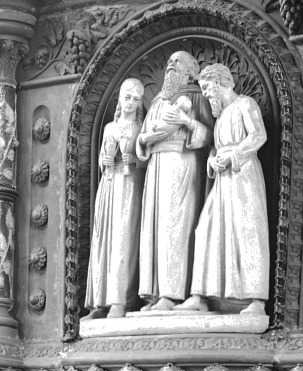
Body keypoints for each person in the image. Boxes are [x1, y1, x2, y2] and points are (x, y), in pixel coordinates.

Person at [183, 63, 270, 314]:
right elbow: (216, 148)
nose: (206, 94)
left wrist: (234, 155)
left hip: (243, 175)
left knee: (247, 231)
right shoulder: (220, 116)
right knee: (206, 229)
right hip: (223, 179)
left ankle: (256, 299)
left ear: (221, 83)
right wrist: (212, 160)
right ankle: (201, 295)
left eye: (207, 88)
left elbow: (258, 135)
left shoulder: (245, 104)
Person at [136, 49, 208, 310]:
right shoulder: (157, 101)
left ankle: (173, 293)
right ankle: (155, 293)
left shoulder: (196, 96)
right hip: (155, 164)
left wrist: (188, 122)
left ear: (192, 71)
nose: (171, 64)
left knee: (175, 224)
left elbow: (209, 134)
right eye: (169, 61)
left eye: (178, 62)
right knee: (154, 226)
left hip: (181, 161)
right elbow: (143, 135)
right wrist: (144, 140)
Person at [83, 78, 147, 317]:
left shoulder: (141, 127)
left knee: (124, 239)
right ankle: (100, 302)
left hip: (130, 186)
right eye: (127, 97)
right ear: (120, 98)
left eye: (135, 99)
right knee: (105, 240)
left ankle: (120, 301)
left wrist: (136, 161)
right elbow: (102, 158)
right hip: (109, 186)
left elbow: (148, 158)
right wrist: (105, 161)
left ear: (140, 102)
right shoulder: (110, 127)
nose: (130, 102)